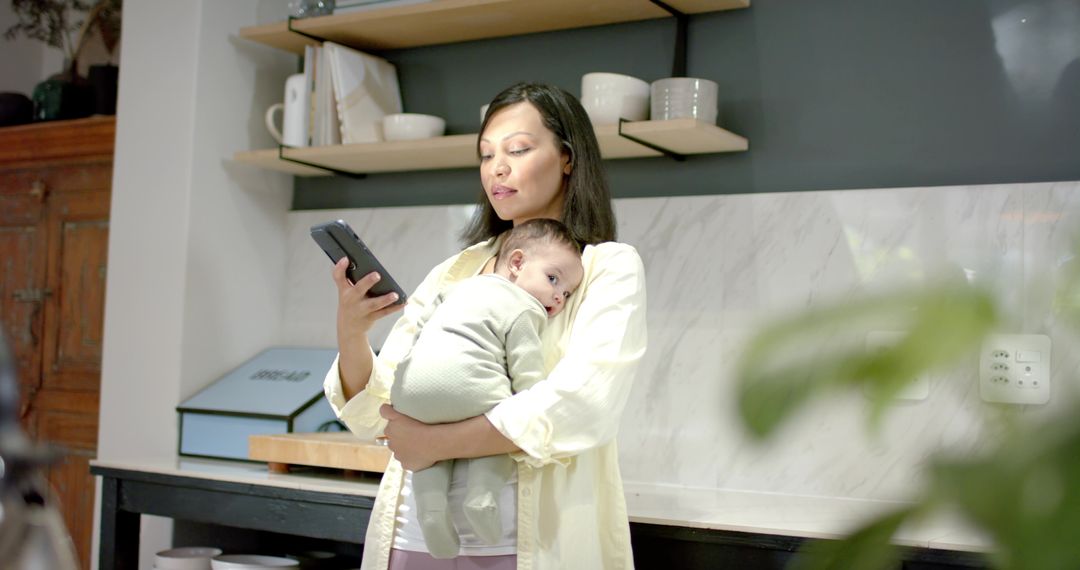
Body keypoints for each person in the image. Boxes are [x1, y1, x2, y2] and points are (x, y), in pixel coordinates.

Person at [323, 81, 648, 570]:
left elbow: (583, 403)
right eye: (486, 154)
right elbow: (376, 414)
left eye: (518, 149)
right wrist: (351, 331)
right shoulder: (456, 270)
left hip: (527, 545)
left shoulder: (607, 267)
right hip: (412, 534)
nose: (497, 167)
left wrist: (436, 442)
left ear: (567, 158)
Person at [390, 218, 584, 559]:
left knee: (427, 453)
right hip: (470, 388)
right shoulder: (526, 308)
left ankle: (431, 511)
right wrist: (530, 405)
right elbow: (527, 372)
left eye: (566, 293)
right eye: (553, 278)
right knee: (501, 419)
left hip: (411, 389)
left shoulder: (457, 287)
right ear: (518, 262)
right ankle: (482, 498)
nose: (558, 295)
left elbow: (421, 328)